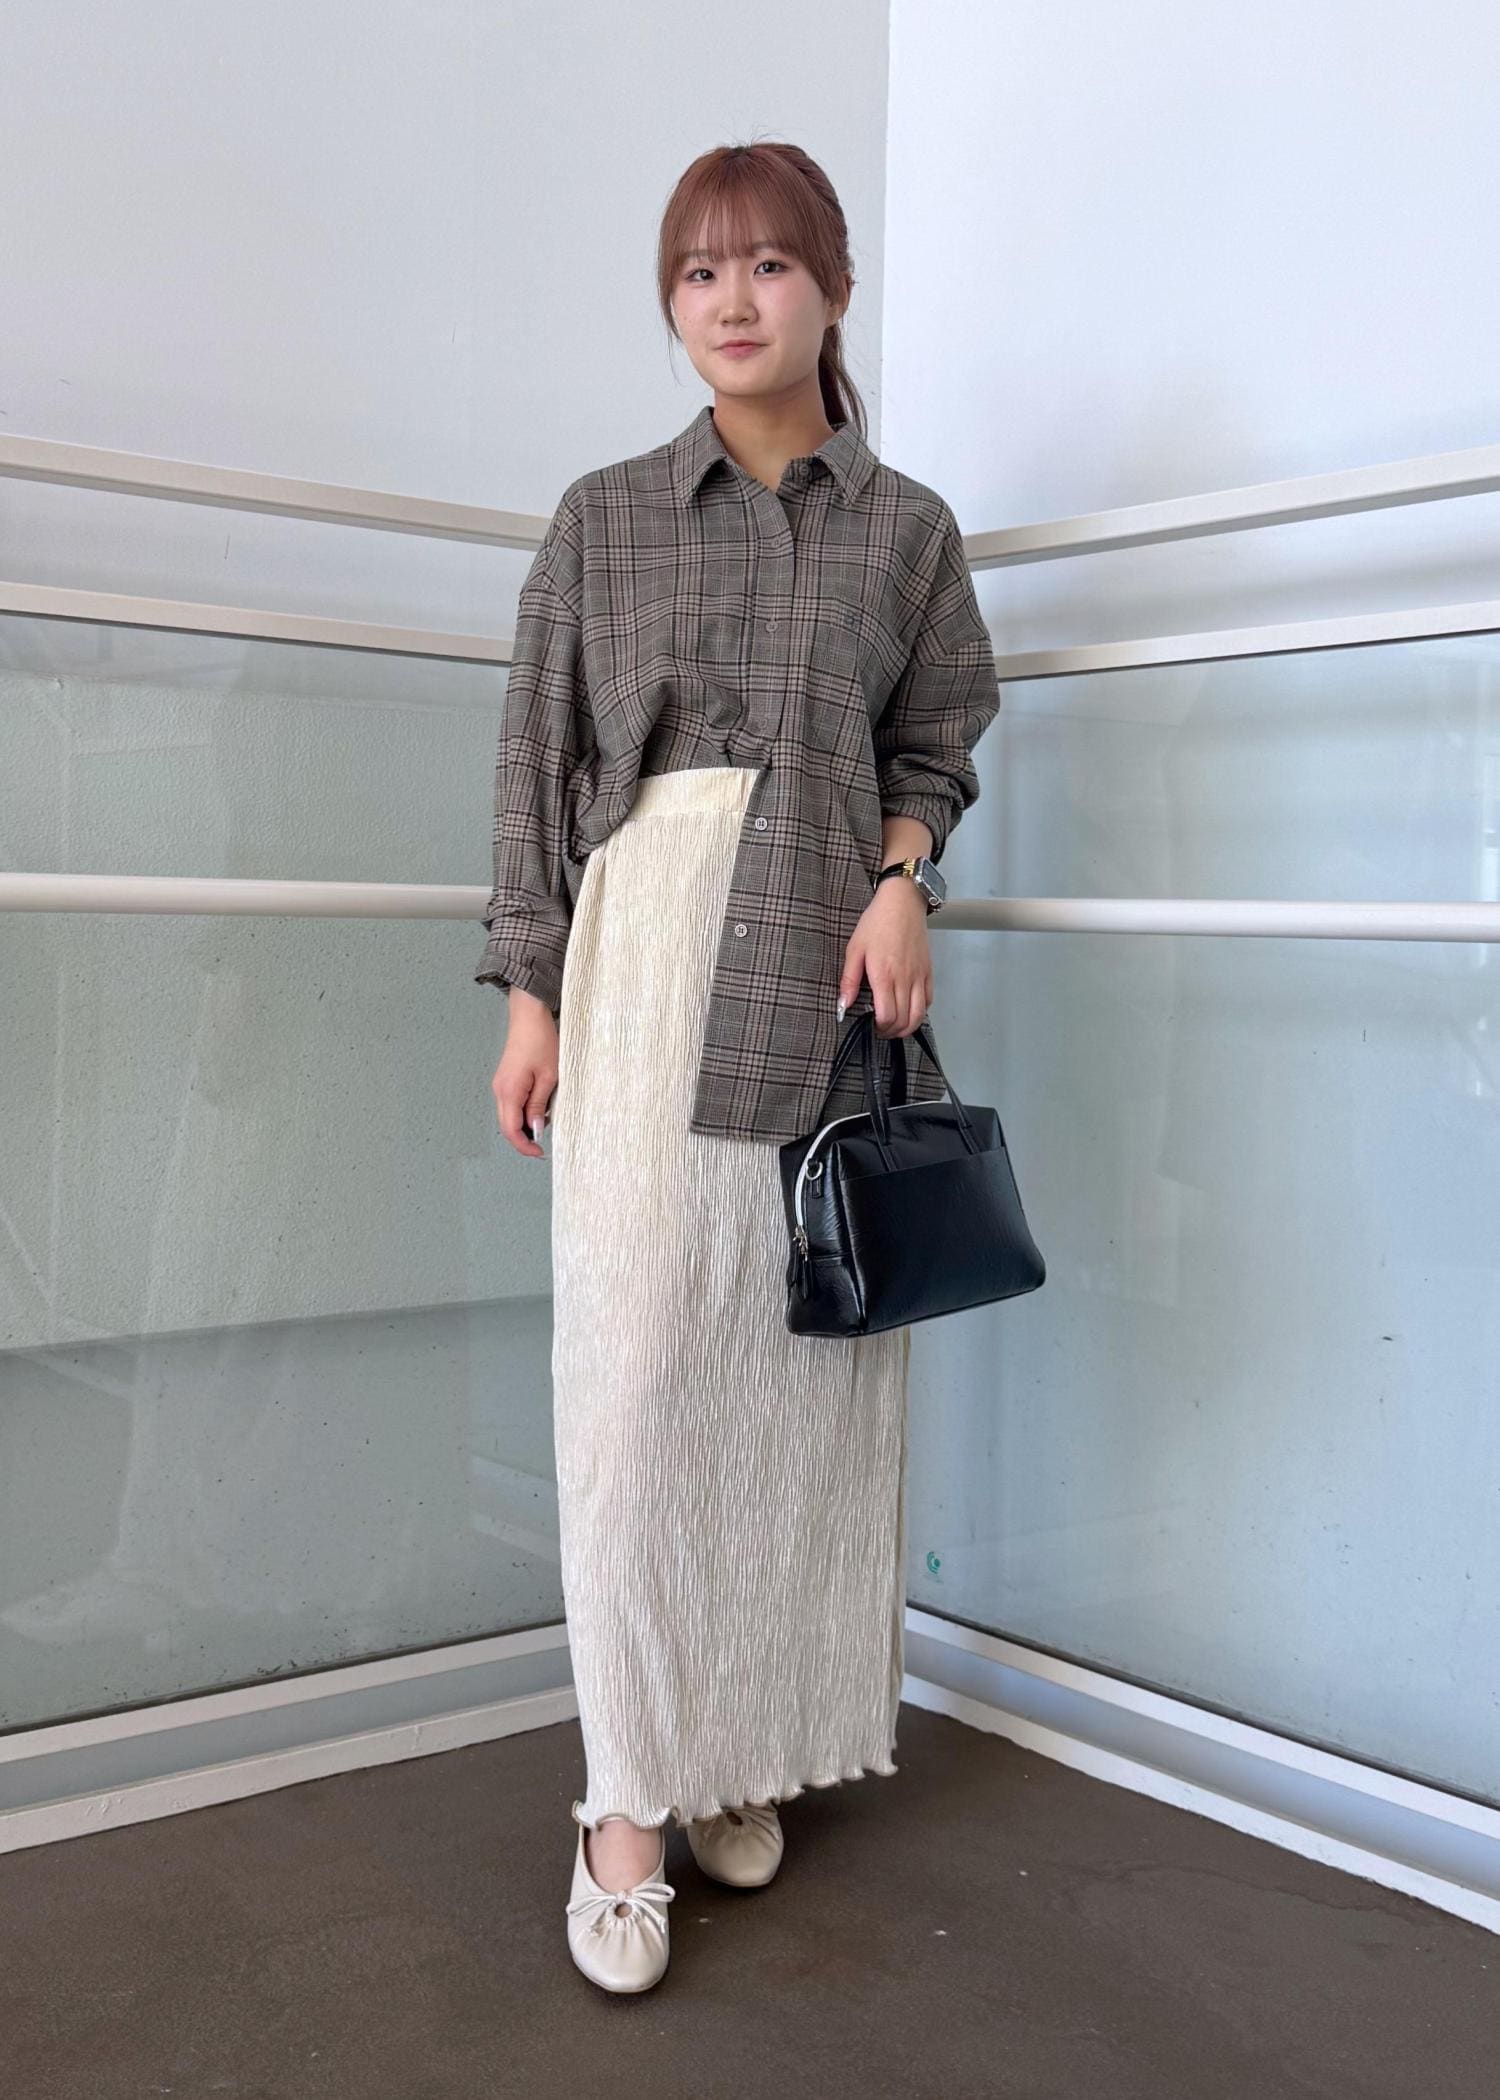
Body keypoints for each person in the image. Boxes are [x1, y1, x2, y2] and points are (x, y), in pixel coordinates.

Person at [477, 139, 1000, 1994]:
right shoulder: (605, 518)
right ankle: (626, 1799)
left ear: (833, 288)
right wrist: (531, 994)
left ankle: (737, 1754)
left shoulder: (908, 531)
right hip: (640, 957)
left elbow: (936, 739)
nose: (732, 300)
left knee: (790, 1386)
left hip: (825, 963)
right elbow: (538, 763)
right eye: (699, 270)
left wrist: (904, 876)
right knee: (633, 1384)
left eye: (770, 264)